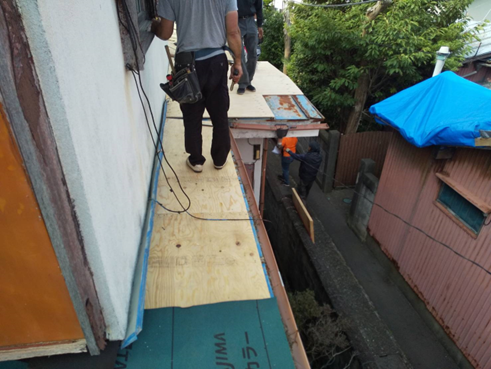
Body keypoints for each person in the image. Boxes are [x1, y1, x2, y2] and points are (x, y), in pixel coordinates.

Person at [152, 0, 243, 173]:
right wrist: (237, 62)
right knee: (219, 112)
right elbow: (233, 31)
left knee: (192, 114)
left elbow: (165, 33)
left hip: (187, 64)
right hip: (217, 61)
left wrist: (153, 25)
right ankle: (219, 158)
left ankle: (196, 161)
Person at [236, 0, 263, 95]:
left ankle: (248, 81)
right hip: (236, 20)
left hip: (251, 21)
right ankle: (242, 83)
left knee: (253, 54)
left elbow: (259, 7)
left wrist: (260, 25)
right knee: (239, 54)